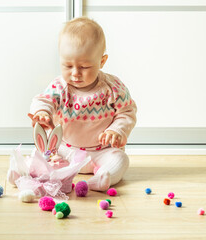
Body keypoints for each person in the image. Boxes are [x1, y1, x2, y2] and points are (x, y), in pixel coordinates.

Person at [28, 17, 137, 191]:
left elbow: (127, 112)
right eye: (67, 65)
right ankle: (28, 173)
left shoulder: (112, 87)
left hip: (102, 151)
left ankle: (100, 179)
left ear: (101, 61)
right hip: (66, 150)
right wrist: (42, 112)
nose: (75, 73)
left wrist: (116, 130)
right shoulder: (60, 87)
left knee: (120, 160)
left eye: (85, 67)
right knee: (42, 155)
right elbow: (43, 100)